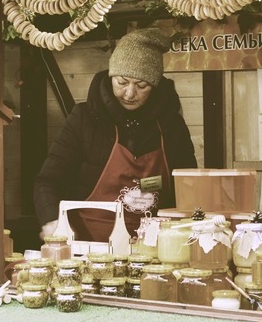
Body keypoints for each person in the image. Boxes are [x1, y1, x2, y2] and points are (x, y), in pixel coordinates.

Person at [34, 28, 197, 241]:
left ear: (155, 86)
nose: (129, 93)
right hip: (87, 246)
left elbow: (188, 187)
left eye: (141, 85)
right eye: (122, 82)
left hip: (153, 247)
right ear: (111, 76)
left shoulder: (171, 125)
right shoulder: (83, 119)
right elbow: (47, 181)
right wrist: (52, 221)